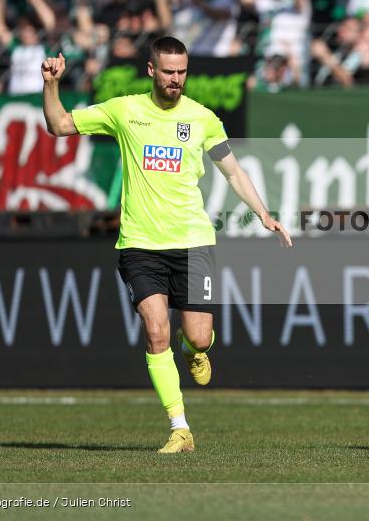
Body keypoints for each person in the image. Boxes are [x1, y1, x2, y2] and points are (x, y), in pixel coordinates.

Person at [40, 36, 292, 453]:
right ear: (152, 70)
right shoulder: (124, 110)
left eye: (182, 72)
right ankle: (180, 428)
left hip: (193, 243)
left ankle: (195, 349)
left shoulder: (203, 118)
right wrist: (51, 84)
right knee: (156, 332)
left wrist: (263, 213)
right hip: (139, 243)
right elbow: (60, 125)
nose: (176, 79)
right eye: (169, 71)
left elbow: (233, 172)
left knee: (199, 336)